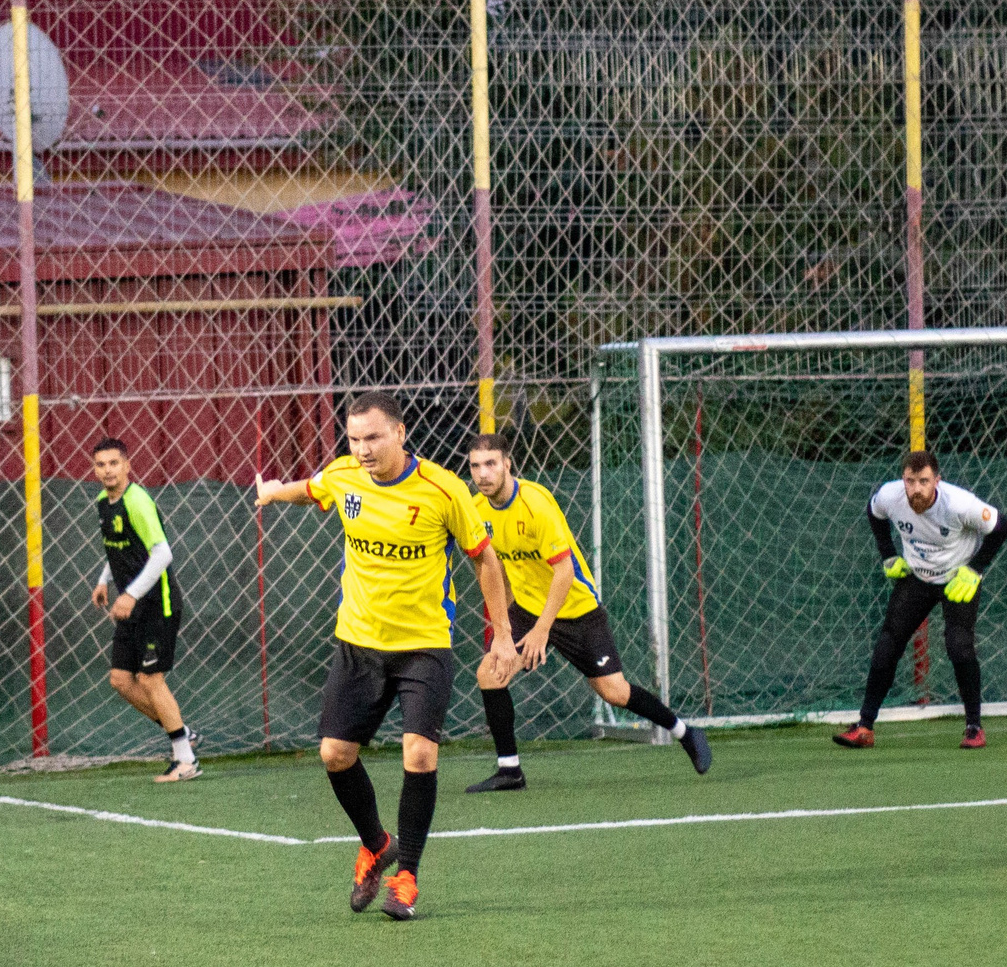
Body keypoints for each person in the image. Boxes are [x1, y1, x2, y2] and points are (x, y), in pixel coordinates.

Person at [256, 393, 517, 920]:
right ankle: (376, 843)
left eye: (373, 437)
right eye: (354, 439)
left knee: (419, 755)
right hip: (357, 644)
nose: (363, 449)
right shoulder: (346, 475)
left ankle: (407, 878)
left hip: (423, 647)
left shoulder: (444, 490)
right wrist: (271, 492)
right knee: (334, 755)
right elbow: (312, 489)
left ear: (400, 433)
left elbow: (484, 559)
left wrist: (504, 635)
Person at [460, 432, 711, 790]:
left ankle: (686, 733)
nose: (482, 474)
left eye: (490, 464)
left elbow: (563, 572)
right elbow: (489, 569)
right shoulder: (477, 510)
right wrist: (505, 629)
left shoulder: (536, 504)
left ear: (507, 464)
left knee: (614, 692)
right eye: (475, 466)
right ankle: (509, 770)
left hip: (576, 610)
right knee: (490, 672)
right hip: (529, 609)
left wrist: (542, 631)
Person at [834, 448, 1007, 749]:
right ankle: (864, 727)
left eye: (923, 481)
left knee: (958, 645)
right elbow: (874, 512)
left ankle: (974, 728)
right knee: (887, 644)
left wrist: (975, 570)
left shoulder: (959, 504)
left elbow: (1003, 527)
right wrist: (888, 555)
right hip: (917, 577)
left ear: (937, 481)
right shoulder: (890, 496)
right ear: (902, 480)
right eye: (910, 481)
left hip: (958, 579)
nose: (916, 488)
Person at [88, 438, 199, 783]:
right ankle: (182, 731)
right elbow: (117, 548)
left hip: (157, 604)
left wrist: (132, 594)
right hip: (130, 605)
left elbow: (162, 553)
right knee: (121, 680)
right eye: (101, 464)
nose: (108, 470)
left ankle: (185, 759)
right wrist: (104, 580)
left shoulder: (137, 501)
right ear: (95, 469)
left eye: (114, 463)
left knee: (151, 679)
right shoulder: (103, 503)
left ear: (127, 466)